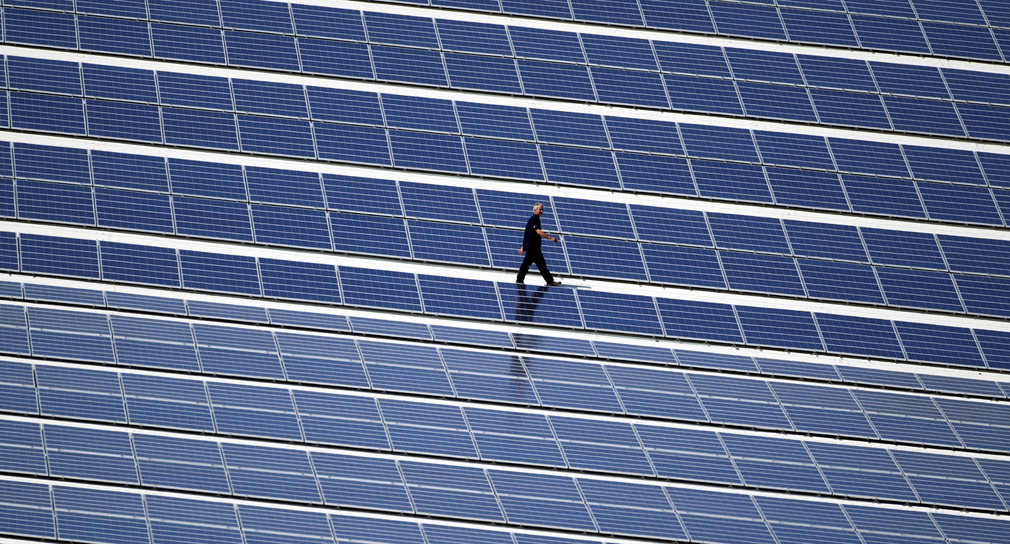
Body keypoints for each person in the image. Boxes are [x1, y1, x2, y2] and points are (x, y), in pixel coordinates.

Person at [516, 202, 561, 285]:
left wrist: (523, 247)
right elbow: (538, 231)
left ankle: (519, 279)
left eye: (542, 209)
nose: (541, 211)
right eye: (540, 209)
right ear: (535, 210)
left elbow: (529, 234)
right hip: (533, 247)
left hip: (532, 246)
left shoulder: (535, 219)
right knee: (540, 265)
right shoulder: (534, 219)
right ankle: (550, 281)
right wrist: (550, 238)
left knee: (528, 264)